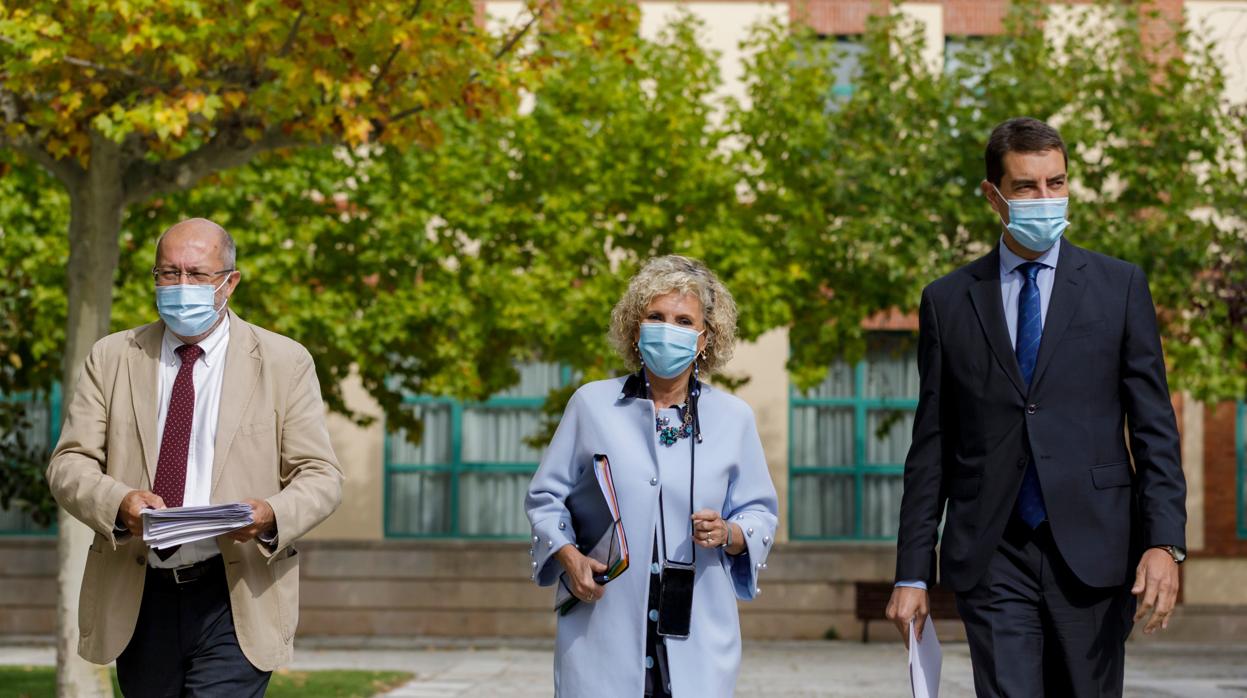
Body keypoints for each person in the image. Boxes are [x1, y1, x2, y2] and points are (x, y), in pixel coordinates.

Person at [886, 117, 1187, 697]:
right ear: (993, 196)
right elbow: (932, 445)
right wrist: (912, 571)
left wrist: (1164, 542)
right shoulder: (948, 302)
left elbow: (1155, 429)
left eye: (1057, 183)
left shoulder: (1119, 287)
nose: (1045, 199)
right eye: (1027, 187)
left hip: (1096, 551)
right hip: (992, 551)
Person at [47, 218, 344, 697]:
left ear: (230, 282)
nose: (181, 286)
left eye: (197, 274)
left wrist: (271, 516)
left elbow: (321, 475)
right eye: (168, 273)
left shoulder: (284, 362)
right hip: (139, 592)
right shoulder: (112, 357)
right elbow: (69, 463)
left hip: (236, 591)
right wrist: (119, 502)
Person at [526, 255, 779, 697]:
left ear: (705, 339)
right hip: (601, 630)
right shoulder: (591, 405)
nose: (669, 329)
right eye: (656, 317)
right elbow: (546, 499)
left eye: (684, 320)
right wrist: (569, 555)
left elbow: (760, 512)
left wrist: (730, 532)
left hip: (699, 635)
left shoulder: (733, 418)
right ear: (635, 328)